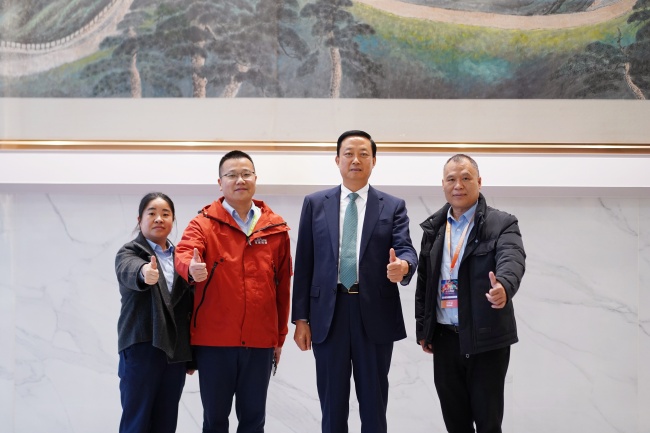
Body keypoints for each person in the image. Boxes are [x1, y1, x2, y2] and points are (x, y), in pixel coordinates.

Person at [292, 130, 418, 433]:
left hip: (373, 313)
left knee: (374, 406)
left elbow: (405, 249)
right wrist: (300, 319)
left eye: (364, 154)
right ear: (337, 160)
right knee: (332, 407)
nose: (356, 160)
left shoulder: (392, 205)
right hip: (328, 314)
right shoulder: (315, 203)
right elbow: (304, 262)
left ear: (374, 161)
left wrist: (403, 267)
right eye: (348, 153)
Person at [174, 150, 292, 433]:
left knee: (254, 421)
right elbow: (184, 252)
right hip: (214, 342)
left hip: (260, 342)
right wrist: (191, 268)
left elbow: (283, 288)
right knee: (215, 420)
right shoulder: (203, 223)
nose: (240, 180)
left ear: (255, 179)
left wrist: (279, 337)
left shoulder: (276, 228)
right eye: (232, 175)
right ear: (220, 182)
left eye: (246, 174)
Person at [415, 154, 526, 433]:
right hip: (445, 339)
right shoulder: (433, 228)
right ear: (443, 184)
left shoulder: (502, 223)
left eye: (466, 178)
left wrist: (504, 286)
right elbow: (425, 282)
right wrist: (424, 330)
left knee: (488, 423)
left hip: (485, 338)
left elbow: (512, 258)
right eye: (451, 179)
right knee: (455, 423)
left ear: (479, 181)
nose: (458, 185)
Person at [115, 192, 194, 433]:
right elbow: (129, 270)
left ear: (173, 220)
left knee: (166, 424)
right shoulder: (129, 252)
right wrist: (144, 273)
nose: (159, 218)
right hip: (141, 347)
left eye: (165, 214)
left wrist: (191, 356)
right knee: (136, 423)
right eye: (152, 213)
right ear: (139, 219)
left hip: (175, 354)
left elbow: (188, 309)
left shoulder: (182, 258)